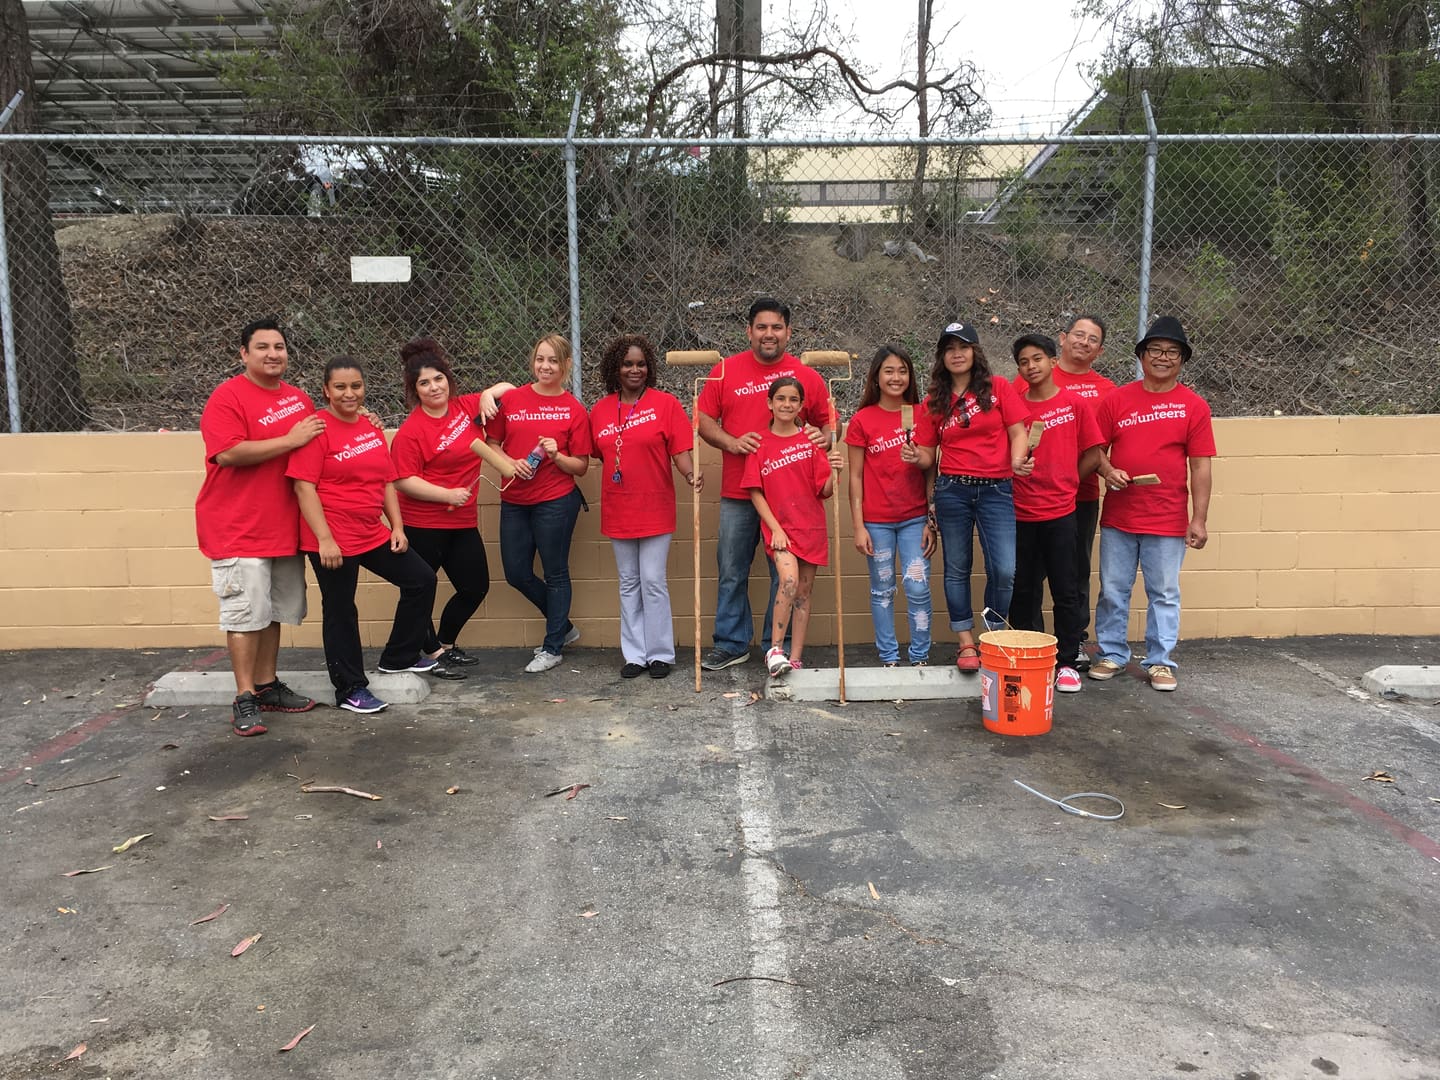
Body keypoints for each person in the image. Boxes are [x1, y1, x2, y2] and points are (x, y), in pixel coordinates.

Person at [288, 357, 444, 715]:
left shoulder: (369, 426)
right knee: (341, 609)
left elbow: (386, 481)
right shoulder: (316, 429)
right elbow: (303, 488)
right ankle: (350, 689)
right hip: (332, 538)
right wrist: (325, 539)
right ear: (326, 390)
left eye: (355, 386)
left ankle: (397, 657)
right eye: (340, 387)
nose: (349, 393)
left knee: (421, 579)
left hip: (371, 532)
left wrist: (398, 527)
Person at [196, 315, 325, 737]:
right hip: (238, 527)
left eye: (279, 347)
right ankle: (245, 696)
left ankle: (268, 685)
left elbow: (321, 442)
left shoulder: (298, 399)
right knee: (244, 613)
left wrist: (366, 423)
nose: (273, 354)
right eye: (263, 348)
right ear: (244, 353)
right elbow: (229, 453)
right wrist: (290, 440)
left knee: (274, 611)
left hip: (283, 527)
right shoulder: (228, 397)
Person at [696, 297, 833, 670]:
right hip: (739, 492)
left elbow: (826, 424)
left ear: (788, 332)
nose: (768, 334)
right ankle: (731, 643)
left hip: (791, 498)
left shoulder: (807, 377)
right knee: (731, 569)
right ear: (749, 331)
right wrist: (731, 442)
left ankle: (782, 647)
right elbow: (704, 420)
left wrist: (826, 439)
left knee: (785, 574)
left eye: (776, 327)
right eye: (761, 327)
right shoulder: (726, 371)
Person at [1088, 316, 1215, 692]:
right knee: (1113, 589)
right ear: (1141, 356)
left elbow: (1201, 466)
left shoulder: (1194, 406)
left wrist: (1200, 519)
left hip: (1168, 518)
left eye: (1172, 352)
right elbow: (1096, 449)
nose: (1163, 357)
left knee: (1164, 593)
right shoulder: (1116, 399)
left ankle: (1160, 661)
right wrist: (1108, 471)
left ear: (1182, 359)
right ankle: (1111, 653)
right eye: (1155, 350)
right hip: (1120, 517)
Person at [903, 321, 1030, 671]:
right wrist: (917, 457)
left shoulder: (999, 388)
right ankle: (965, 642)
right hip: (952, 490)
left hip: (996, 489)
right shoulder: (935, 401)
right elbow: (929, 454)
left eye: (963, 347)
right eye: (949, 348)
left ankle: (992, 634)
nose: (957, 354)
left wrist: (1019, 460)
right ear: (942, 357)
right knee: (957, 569)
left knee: (1004, 569)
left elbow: (1018, 432)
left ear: (976, 352)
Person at [391, 337, 514, 670]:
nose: (434, 388)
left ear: (448, 379)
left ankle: (445, 642)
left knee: (475, 587)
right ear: (414, 390)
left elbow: (510, 389)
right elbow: (402, 479)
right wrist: (446, 494)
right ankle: (430, 652)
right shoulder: (411, 431)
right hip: (424, 523)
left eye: (439, 379)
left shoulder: (465, 407)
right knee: (420, 590)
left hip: (461, 522)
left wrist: (488, 394)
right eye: (424, 383)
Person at [589, 335, 702, 680]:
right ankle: (634, 655)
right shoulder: (601, 409)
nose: (635, 370)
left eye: (641, 364)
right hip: (618, 507)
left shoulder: (665, 404)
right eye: (627, 364)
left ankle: (660, 654)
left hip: (655, 507)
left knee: (652, 580)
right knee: (628, 582)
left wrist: (690, 474)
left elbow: (679, 451)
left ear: (649, 368)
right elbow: (596, 452)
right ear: (615, 369)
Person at [1013, 314, 1116, 670]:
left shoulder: (1075, 403)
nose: (1031, 367)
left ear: (1052, 361)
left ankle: (1068, 660)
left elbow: (1093, 453)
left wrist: (1069, 480)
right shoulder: (1015, 404)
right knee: (1024, 587)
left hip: (1064, 510)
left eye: (1037, 359)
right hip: (1020, 510)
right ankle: (1028, 652)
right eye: (1024, 362)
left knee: (1067, 585)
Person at [485, 334, 592, 673]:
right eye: (540, 359)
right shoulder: (514, 399)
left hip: (556, 500)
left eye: (553, 361)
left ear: (566, 366)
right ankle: (562, 625)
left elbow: (582, 466)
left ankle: (553, 646)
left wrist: (558, 455)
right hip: (514, 499)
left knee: (556, 571)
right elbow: (492, 443)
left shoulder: (573, 409)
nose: (546, 366)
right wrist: (509, 463)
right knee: (516, 572)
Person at [743, 377, 844, 677]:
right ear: (770, 403)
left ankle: (796, 658)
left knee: (803, 593)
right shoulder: (759, 442)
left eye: (793, 400)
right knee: (787, 581)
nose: (787, 405)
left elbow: (823, 491)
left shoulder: (811, 443)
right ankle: (775, 650)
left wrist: (834, 471)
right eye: (781, 399)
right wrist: (774, 527)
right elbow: (754, 491)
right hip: (780, 529)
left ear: (801, 405)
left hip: (810, 527)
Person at [845, 344, 936, 667]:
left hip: (914, 519)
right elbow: (854, 477)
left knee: (917, 585)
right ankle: (888, 657)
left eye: (902, 371)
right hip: (877, 522)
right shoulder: (862, 420)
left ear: (910, 377)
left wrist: (930, 519)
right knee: (882, 590)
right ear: (876, 377)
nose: (896, 377)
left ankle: (920, 656)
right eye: (889, 371)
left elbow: (931, 467)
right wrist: (858, 527)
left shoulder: (922, 413)